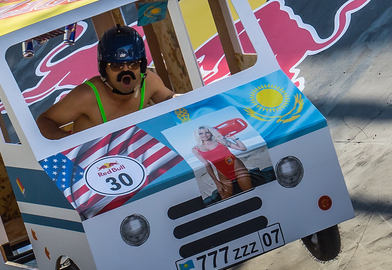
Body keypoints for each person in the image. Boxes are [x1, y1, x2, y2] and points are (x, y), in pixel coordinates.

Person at [37, 25, 174, 139]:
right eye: (116, 65)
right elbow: (44, 121)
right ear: (104, 69)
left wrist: (181, 99)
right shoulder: (87, 96)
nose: (125, 71)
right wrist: (69, 145)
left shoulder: (149, 82)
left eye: (133, 64)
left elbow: (172, 100)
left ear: (142, 66)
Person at [192, 125, 253, 199]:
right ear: (197, 135)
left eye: (207, 132)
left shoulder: (221, 141)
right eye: (201, 133)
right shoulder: (195, 149)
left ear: (211, 133)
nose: (204, 135)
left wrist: (233, 137)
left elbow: (243, 148)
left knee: (249, 192)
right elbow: (207, 165)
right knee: (225, 198)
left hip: (237, 166)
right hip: (222, 172)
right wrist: (217, 183)